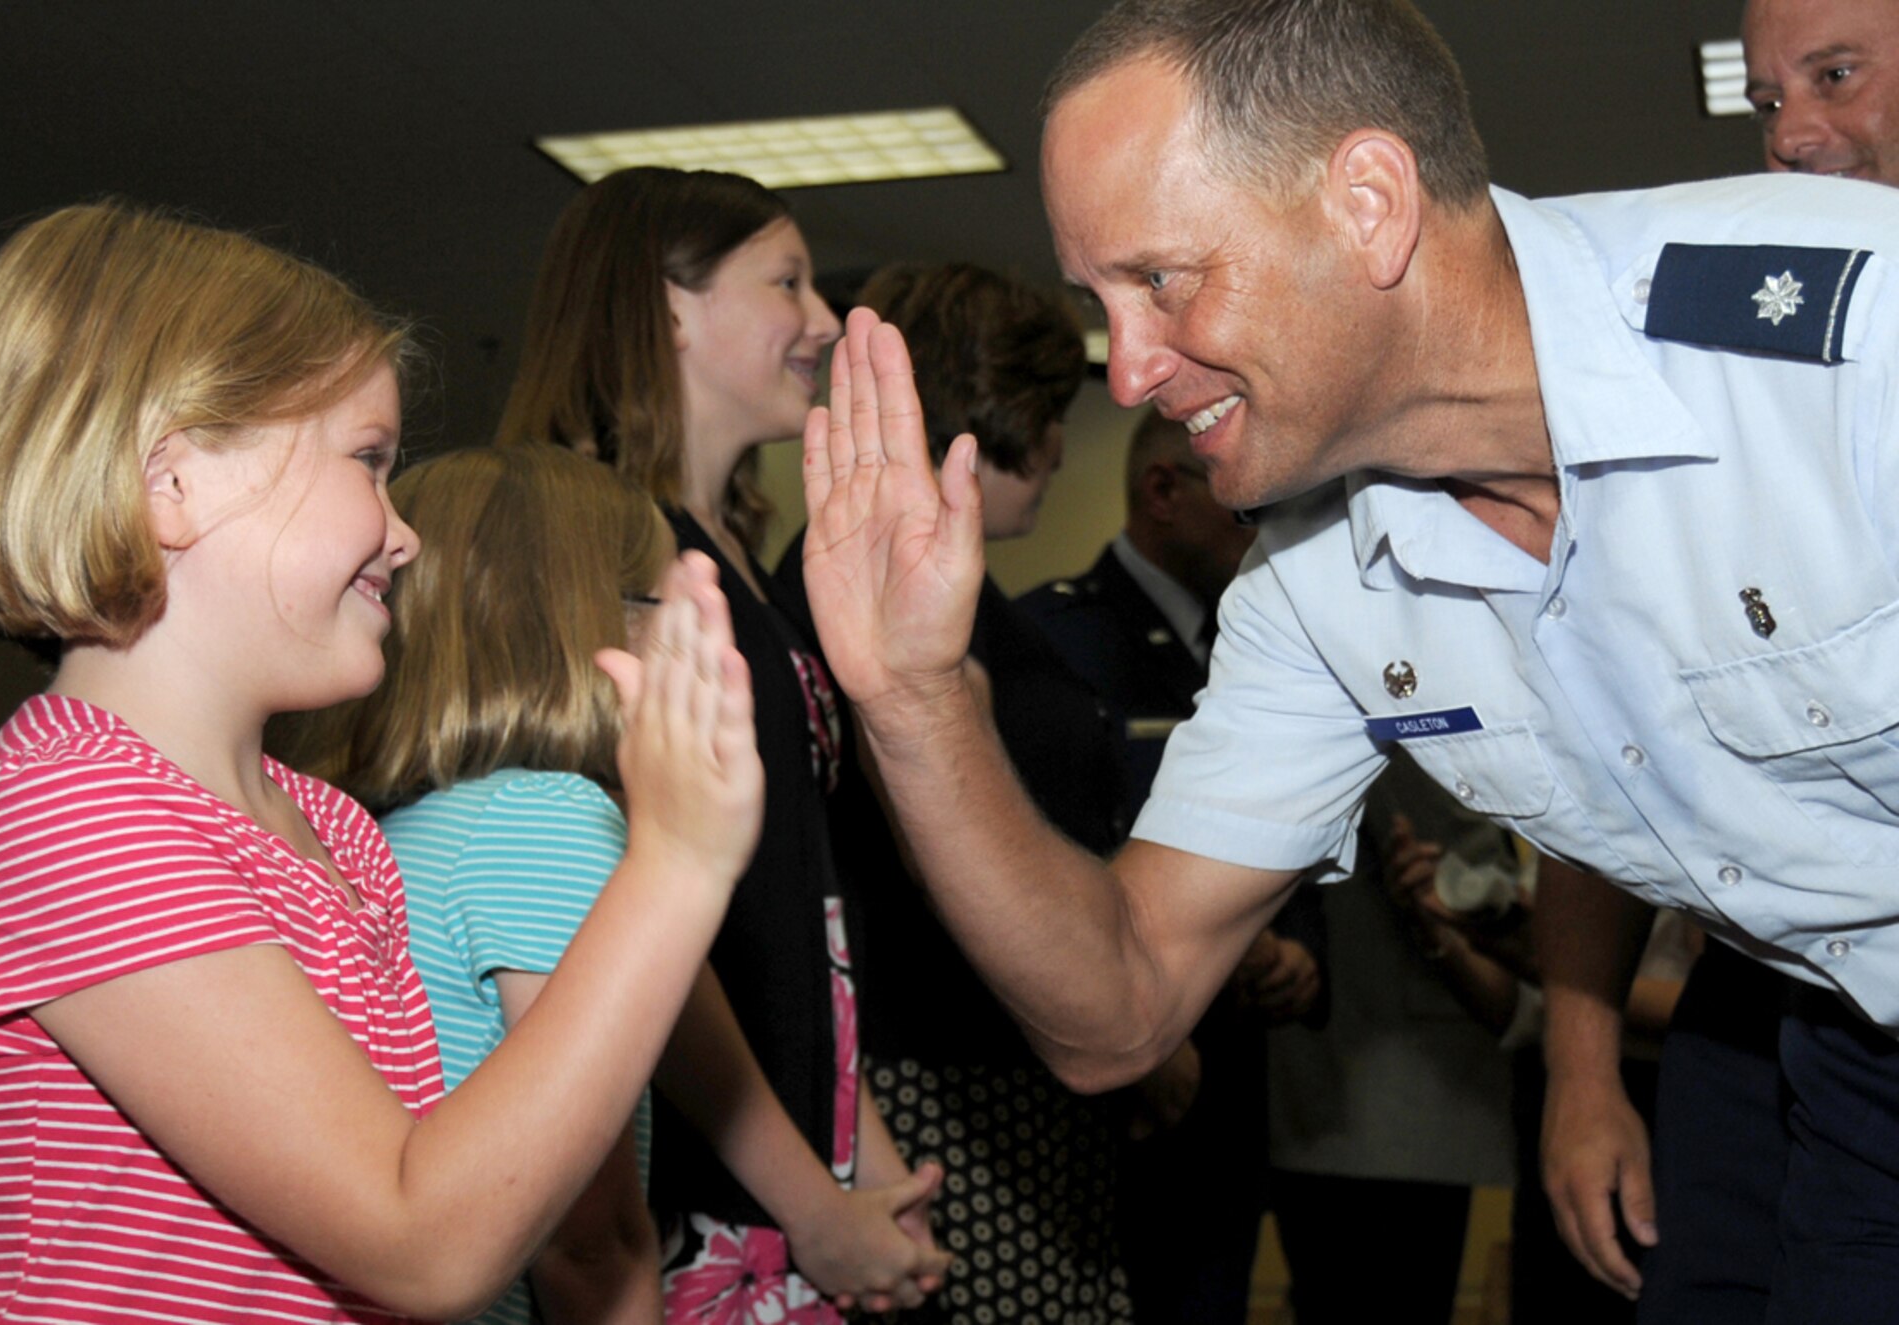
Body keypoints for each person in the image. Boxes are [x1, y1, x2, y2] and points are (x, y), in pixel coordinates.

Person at [793, 0, 1899, 1318]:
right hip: (1849, 1049)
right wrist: (917, 705)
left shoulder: (1848, 335)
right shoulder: (1319, 585)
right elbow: (1120, 1009)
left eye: (1162, 278)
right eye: (1102, 302)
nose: (1129, 372)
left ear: (1370, 204)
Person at [0, 201, 762, 1322]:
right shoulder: (71, 811)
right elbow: (417, 1238)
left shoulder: (325, 821)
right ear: (172, 483)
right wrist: (677, 863)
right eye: (368, 460)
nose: (402, 532)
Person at [497, 167, 946, 1322]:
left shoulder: (737, 557)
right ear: (667, 311)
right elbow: (638, 920)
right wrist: (811, 1199)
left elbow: (803, 913)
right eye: (784, 281)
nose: (821, 320)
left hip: (793, 1173)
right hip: (707, 1198)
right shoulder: (611, 551)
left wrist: (869, 1163)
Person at [1538, 0, 1899, 1315]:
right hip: (1765, 1014)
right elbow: (1608, 732)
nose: (1794, 134)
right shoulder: (1707, 369)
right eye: (1764, 99)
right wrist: (1583, 1068)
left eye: (1837, 75)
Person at [776, 261, 1137, 1324]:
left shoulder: (970, 599)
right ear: (1001, 414)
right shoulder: (882, 590)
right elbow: (923, 842)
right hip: (943, 1075)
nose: (1062, 450)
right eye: (1050, 414)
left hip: (1021, 1053)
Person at [283, 444, 678, 1324]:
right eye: (664, 607)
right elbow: (588, 1235)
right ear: (586, 628)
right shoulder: (547, 822)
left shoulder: (397, 830)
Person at [1019, 411, 1324, 1323]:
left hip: (1233, 1099)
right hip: (1112, 1109)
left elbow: (1297, 817)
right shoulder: (1051, 641)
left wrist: (1301, 953)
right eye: (1250, 512)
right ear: (1163, 492)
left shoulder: (1271, 639)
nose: (1269, 535)